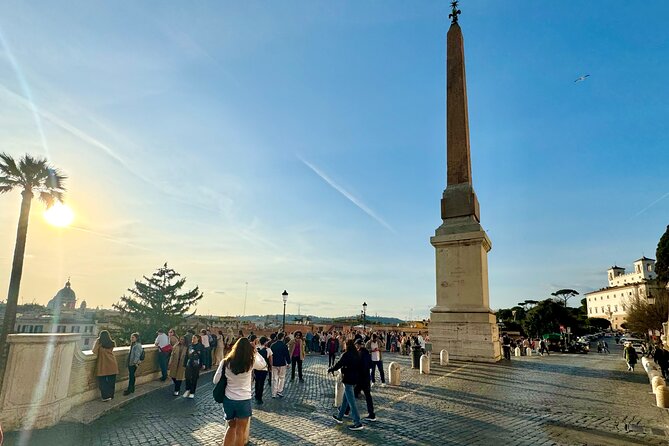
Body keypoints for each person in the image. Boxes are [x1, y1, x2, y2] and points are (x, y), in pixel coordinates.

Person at [214, 337, 267, 446]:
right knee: (240, 431)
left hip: (228, 400)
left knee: (231, 427)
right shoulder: (250, 362)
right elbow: (263, 365)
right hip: (243, 400)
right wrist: (256, 353)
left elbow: (215, 380)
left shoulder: (225, 362)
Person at [329, 340, 364, 431]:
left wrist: (331, 369)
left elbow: (339, 364)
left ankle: (357, 422)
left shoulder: (346, 354)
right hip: (355, 378)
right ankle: (340, 417)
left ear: (347, 345)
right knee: (345, 399)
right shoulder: (357, 354)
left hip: (348, 378)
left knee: (352, 402)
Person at [93, 330, 119, 401]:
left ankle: (105, 396)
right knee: (112, 381)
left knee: (102, 381)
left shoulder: (99, 342)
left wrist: (98, 343)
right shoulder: (112, 343)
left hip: (103, 364)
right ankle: (111, 395)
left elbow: (94, 351)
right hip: (112, 363)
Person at [183, 334, 205, 398]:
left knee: (194, 377)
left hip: (196, 363)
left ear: (198, 339)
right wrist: (184, 363)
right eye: (192, 337)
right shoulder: (189, 346)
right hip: (189, 362)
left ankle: (192, 392)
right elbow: (186, 355)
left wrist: (203, 364)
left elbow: (203, 356)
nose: (193, 339)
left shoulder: (201, 346)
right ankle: (187, 389)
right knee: (187, 377)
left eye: (194, 338)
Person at [270, 332, 290, 398]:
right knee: (282, 378)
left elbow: (271, 355)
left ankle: (273, 393)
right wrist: (288, 362)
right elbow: (287, 355)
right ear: (282, 337)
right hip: (282, 363)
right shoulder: (284, 346)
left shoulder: (272, 345)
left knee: (274, 379)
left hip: (274, 363)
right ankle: (279, 391)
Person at [254, 336, 272, 404]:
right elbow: (270, 360)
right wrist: (270, 367)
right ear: (265, 342)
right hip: (264, 368)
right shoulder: (268, 350)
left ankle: (256, 394)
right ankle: (259, 398)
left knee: (257, 381)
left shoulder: (256, 348)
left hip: (256, 367)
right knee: (261, 383)